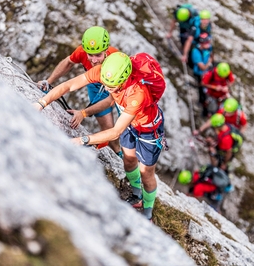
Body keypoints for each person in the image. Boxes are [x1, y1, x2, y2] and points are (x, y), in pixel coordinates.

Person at [34, 52, 167, 221]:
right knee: (128, 160)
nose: (107, 87)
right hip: (130, 124)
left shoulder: (137, 93)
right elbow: (69, 85)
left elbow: (115, 132)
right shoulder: (104, 72)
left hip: (149, 130)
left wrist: (82, 140)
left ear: (124, 80)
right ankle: (135, 193)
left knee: (146, 173)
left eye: (112, 86)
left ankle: (147, 209)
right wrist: (41, 103)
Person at [36, 26, 121, 156]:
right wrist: (49, 81)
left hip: (118, 88)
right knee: (108, 127)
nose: (93, 60)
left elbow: (110, 100)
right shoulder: (82, 51)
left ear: (106, 50)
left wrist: (83, 113)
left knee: (124, 127)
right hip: (95, 84)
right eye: (90, 55)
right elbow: (68, 63)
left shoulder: (116, 59)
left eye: (98, 55)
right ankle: (118, 153)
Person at [190, 33, 213, 111]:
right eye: (206, 42)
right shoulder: (196, 52)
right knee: (202, 92)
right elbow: (202, 67)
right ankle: (203, 105)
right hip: (199, 74)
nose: (208, 44)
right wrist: (209, 62)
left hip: (207, 73)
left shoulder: (208, 48)